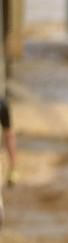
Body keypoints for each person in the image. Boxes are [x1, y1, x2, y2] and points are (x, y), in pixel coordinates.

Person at [0, 97, 16, 229]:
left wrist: (13, 168)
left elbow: (9, 137)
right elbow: (9, 137)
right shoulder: (2, 104)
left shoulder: (2, 105)